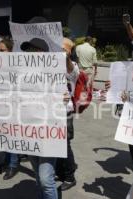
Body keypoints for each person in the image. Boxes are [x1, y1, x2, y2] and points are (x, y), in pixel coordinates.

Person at [21, 37, 75, 199]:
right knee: (38, 174)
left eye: (31, 50)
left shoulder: (57, 71)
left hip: (49, 129)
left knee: (45, 178)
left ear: (41, 53)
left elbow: (73, 74)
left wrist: (63, 99)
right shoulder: (22, 73)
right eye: (27, 51)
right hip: (28, 128)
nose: (27, 54)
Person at [0, 39, 21, 180]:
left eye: (2, 50)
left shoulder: (16, 67)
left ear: (10, 51)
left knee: (13, 134)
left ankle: (13, 164)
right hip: (0, 105)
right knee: (5, 134)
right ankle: (7, 160)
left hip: (14, 106)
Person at [55, 38, 78, 191]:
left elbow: (71, 71)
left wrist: (66, 58)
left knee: (64, 144)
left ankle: (70, 177)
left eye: (64, 49)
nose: (60, 51)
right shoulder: (52, 64)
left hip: (65, 111)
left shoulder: (73, 66)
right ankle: (61, 172)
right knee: (55, 142)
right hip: (51, 110)